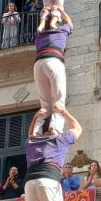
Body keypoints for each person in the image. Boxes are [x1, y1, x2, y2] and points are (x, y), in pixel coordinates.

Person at [32, 8, 73, 136]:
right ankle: (55, 128)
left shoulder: (38, 35)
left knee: (45, 103)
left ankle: (37, 131)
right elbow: (70, 23)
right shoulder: (61, 30)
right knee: (59, 99)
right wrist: (61, 10)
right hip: (54, 62)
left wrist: (43, 19)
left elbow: (39, 29)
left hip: (38, 64)